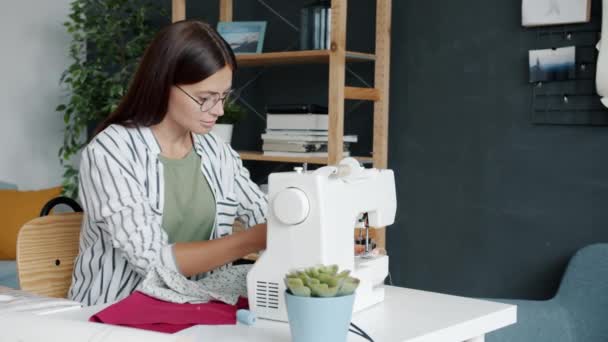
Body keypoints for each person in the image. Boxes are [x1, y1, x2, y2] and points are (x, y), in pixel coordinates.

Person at [68, 20, 268, 306]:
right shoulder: (111, 151)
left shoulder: (216, 151)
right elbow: (153, 262)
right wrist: (250, 241)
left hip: (196, 310)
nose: (219, 110)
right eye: (205, 98)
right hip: (115, 313)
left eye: (223, 97)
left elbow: (262, 214)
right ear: (164, 85)